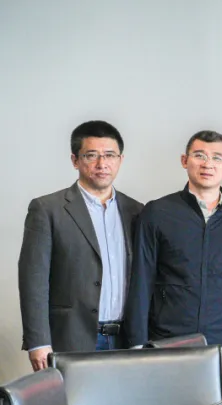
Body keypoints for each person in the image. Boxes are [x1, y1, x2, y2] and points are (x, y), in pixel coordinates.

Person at [124, 130, 222, 405]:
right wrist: (137, 344)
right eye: (199, 155)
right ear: (185, 160)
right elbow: (141, 280)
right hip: (168, 343)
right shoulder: (158, 212)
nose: (208, 164)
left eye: (217, 158)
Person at [19, 120, 143, 369]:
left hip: (126, 340)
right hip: (71, 338)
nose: (102, 164)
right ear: (75, 160)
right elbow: (33, 279)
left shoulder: (136, 211)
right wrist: (38, 342)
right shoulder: (48, 209)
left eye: (110, 155)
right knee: (73, 398)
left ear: (120, 159)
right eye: (91, 155)